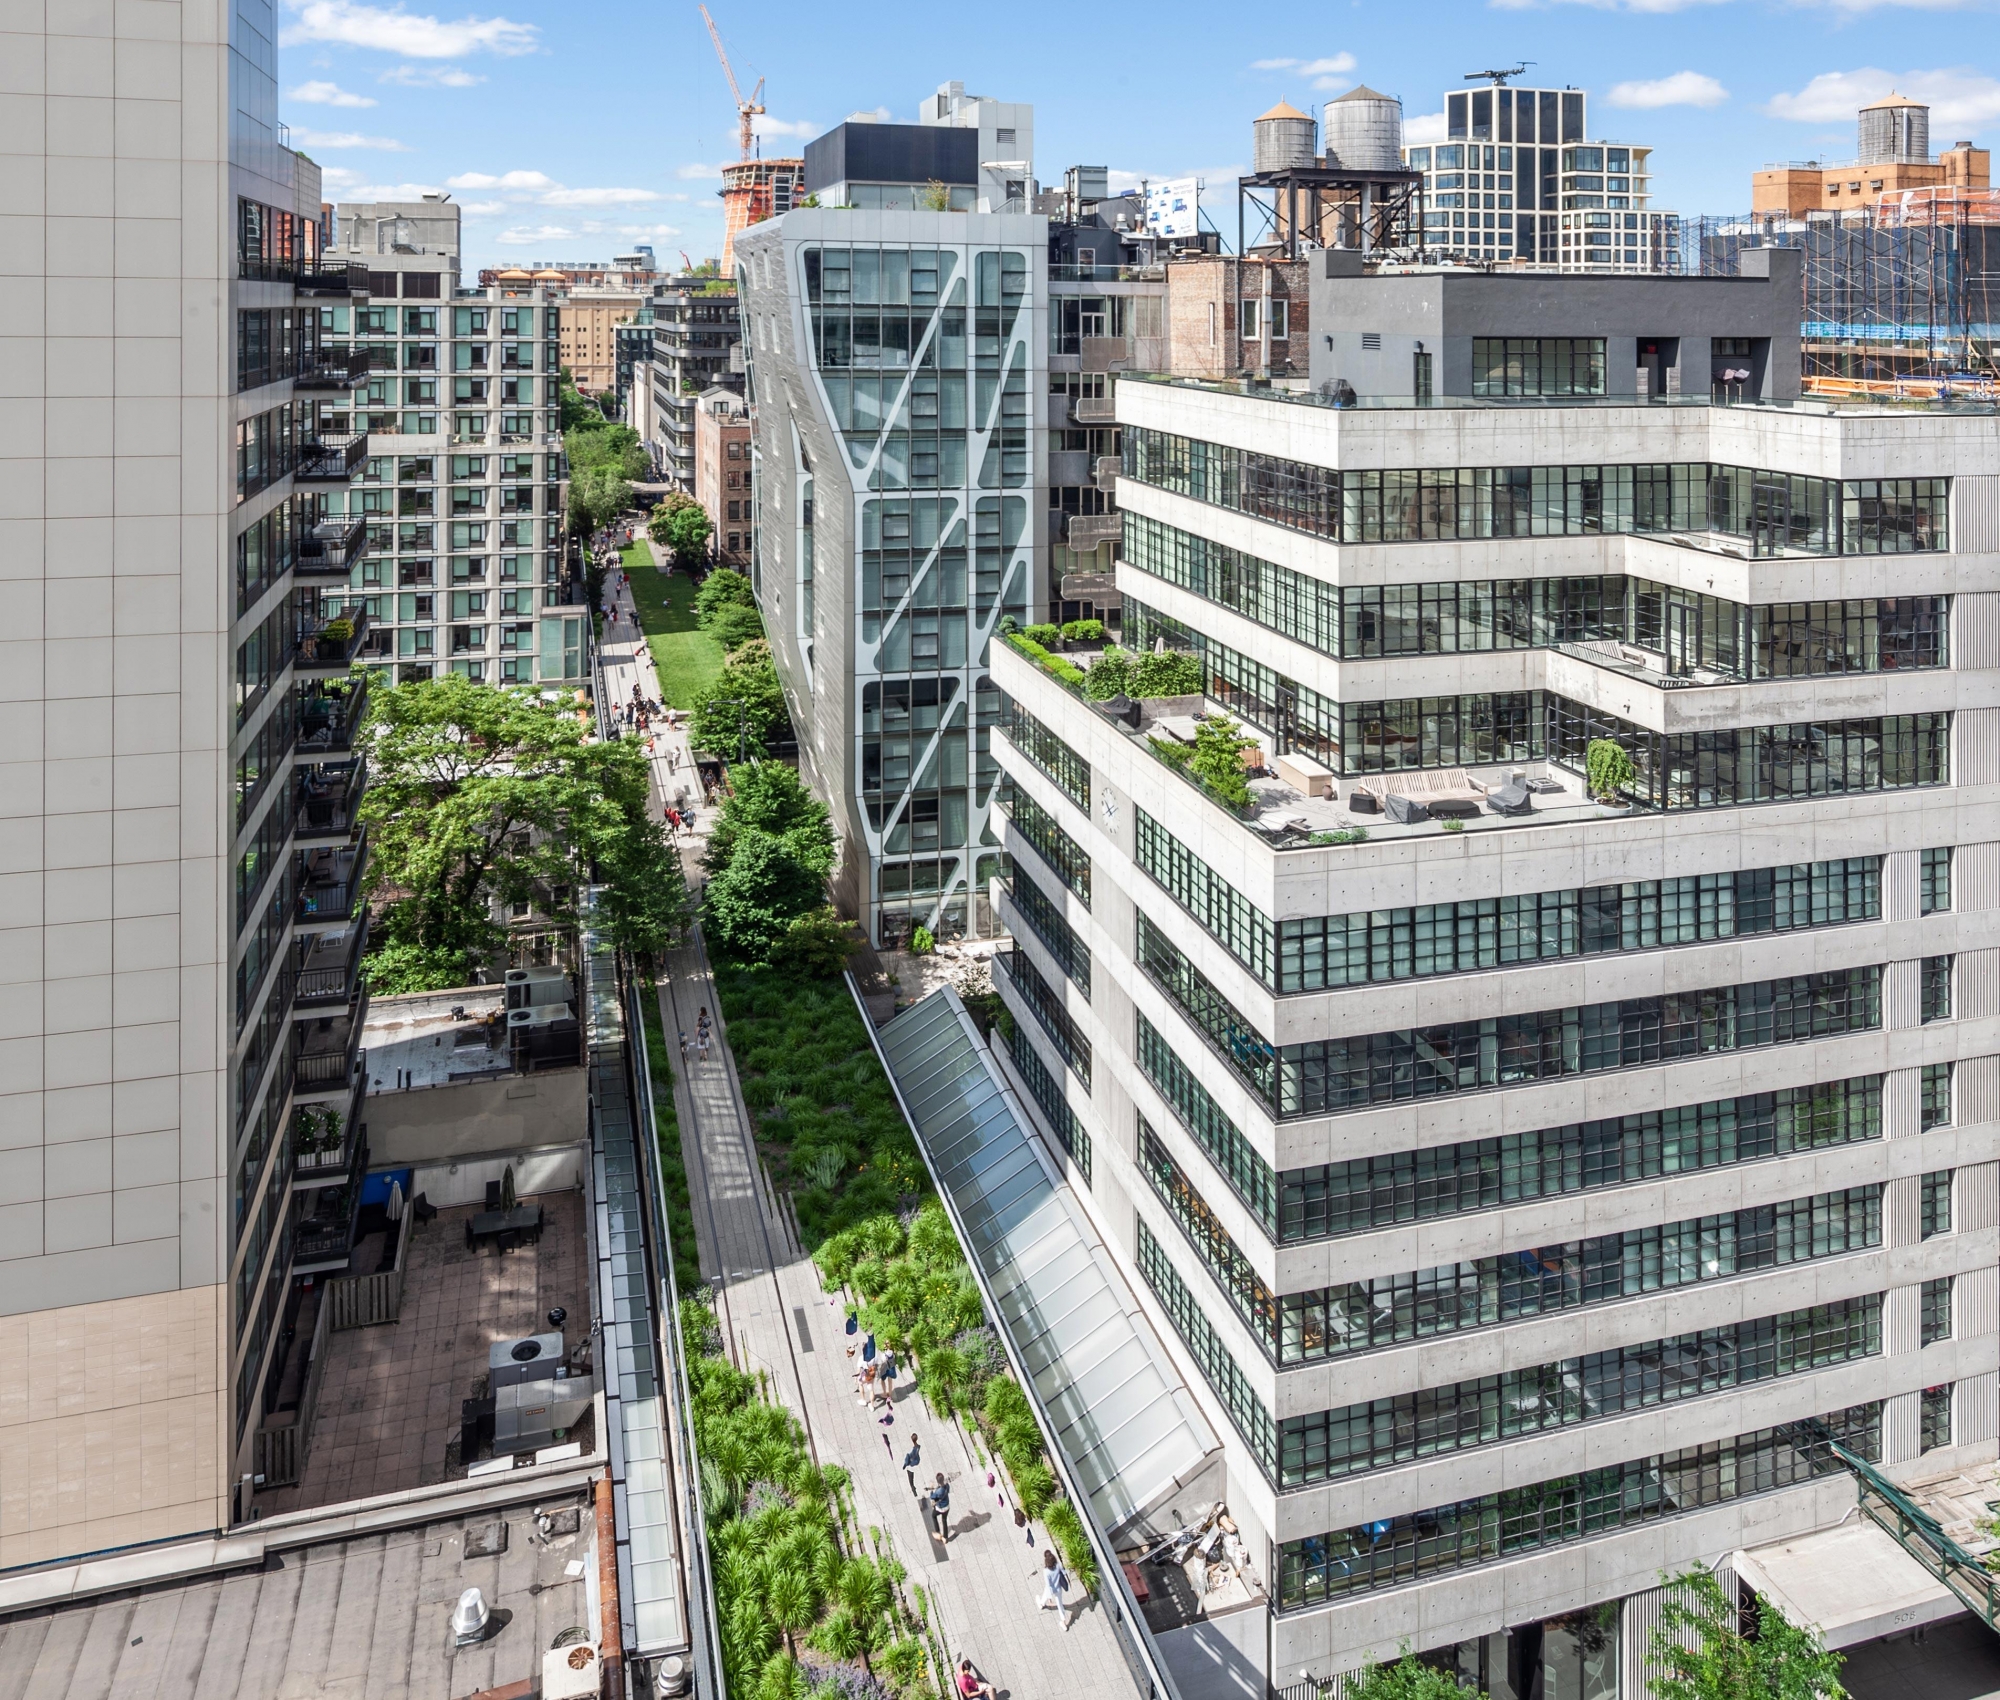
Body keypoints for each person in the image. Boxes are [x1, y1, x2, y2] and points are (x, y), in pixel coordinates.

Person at [1038, 1550, 1068, 1621]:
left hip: (1051, 1589)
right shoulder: (1058, 1565)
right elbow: (1064, 1573)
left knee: (1045, 1595)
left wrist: (1050, 1597)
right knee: (1060, 1604)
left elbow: (1048, 1585)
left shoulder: (1046, 1571)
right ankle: (1063, 1619)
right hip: (1058, 1589)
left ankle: (1042, 1604)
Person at [928, 1473, 951, 1542]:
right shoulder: (947, 1486)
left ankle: (938, 1532)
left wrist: (931, 1490)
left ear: (937, 1481)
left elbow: (932, 1497)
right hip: (947, 1506)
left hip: (940, 1508)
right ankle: (945, 1538)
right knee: (944, 1520)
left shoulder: (938, 1491)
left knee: (933, 1516)